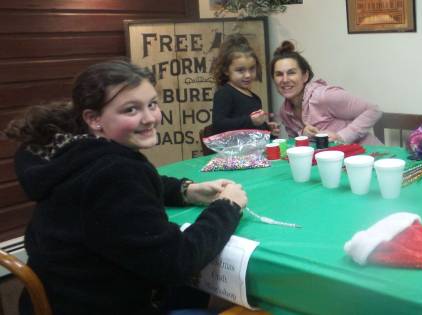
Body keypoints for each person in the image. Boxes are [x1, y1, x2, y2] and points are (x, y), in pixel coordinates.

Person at [4, 60, 248, 315]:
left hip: (63, 298)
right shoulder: (114, 174)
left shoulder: (70, 152)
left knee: (192, 288)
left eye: (152, 104)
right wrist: (227, 206)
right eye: (131, 110)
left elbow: (121, 187)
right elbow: (177, 260)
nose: (150, 118)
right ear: (94, 118)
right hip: (102, 304)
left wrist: (186, 190)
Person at [271, 41, 382, 145]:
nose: (285, 80)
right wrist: (303, 135)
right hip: (334, 162)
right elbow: (299, 147)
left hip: (372, 155)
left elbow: (373, 110)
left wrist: (341, 136)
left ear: (305, 76)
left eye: (291, 73)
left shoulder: (323, 96)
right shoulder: (284, 112)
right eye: (279, 74)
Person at [211, 34, 279, 136]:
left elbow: (251, 129)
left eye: (252, 69)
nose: (247, 75)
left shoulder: (255, 98)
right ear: (226, 70)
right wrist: (250, 121)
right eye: (240, 70)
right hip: (233, 151)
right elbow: (218, 126)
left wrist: (267, 129)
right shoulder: (224, 93)